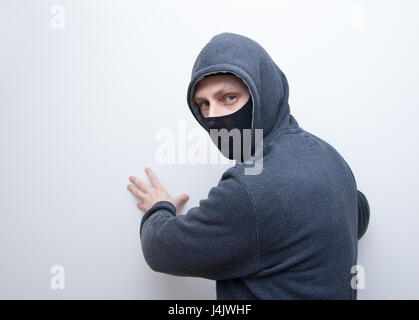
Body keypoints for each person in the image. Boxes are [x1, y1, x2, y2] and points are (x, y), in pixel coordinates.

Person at [127, 32, 370, 299]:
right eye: (203, 104)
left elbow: (161, 249)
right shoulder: (330, 158)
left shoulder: (250, 188)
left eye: (228, 97)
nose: (213, 116)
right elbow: (360, 213)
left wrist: (158, 207)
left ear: (263, 93)